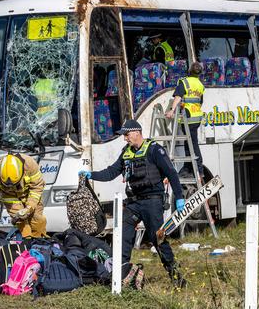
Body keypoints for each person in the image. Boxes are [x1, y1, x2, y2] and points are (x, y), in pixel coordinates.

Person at [79, 119, 187, 287]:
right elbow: (111, 172)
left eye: (127, 135)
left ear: (137, 132)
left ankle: (176, 276)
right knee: (122, 235)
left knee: (157, 239)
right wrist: (91, 175)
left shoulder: (154, 150)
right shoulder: (126, 153)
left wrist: (179, 196)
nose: (125, 138)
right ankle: (121, 277)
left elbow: (171, 173)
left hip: (153, 202)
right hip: (134, 203)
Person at [0, 153, 47, 238]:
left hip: (30, 196)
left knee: (38, 221)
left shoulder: (30, 164)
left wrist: (30, 207)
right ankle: (26, 242)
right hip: (11, 198)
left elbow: (37, 187)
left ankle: (38, 241)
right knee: (22, 225)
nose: (11, 186)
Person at [165, 61, 205, 179]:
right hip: (196, 117)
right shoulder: (200, 84)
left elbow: (178, 97)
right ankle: (188, 168)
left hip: (188, 118)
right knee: (190, 143)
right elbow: (199, 102)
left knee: (192, 144)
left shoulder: (185, 82)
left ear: (189, 71)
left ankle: (199, 169)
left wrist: (172, 110)